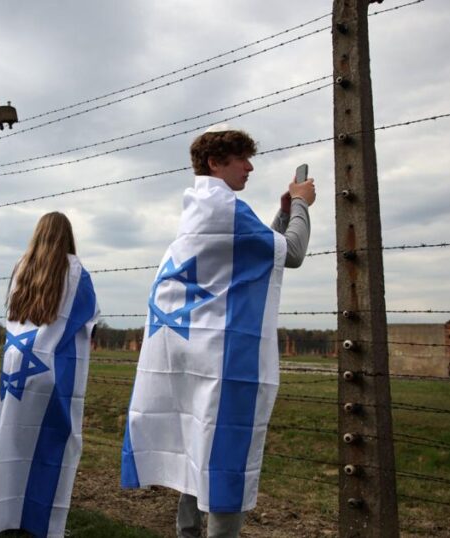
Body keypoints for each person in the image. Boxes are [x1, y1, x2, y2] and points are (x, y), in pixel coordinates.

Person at [120, 124, 314, 537]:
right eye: (242, 159)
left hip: (188, 350)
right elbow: (292, 252)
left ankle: (187, 531)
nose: (250, 167)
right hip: (221, 357)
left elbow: (259, 249)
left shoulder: (200, 208)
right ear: (214, 162)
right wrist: (301, 204)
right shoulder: (228, 210)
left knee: (196, 441)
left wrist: (283, 214)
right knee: (223, 450)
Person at [0, 212, 98, 538]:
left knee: (12, 447)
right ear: (67, 236)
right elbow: (86, 320)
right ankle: (40, 524)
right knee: (50, 452)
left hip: (16, 368)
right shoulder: (76, 271)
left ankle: (5, 519)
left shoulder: (22, 267)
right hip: (51, 370)